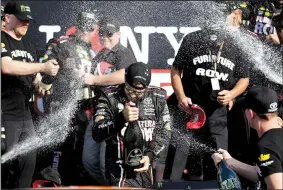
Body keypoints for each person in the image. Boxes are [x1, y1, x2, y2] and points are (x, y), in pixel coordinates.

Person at [167, 19, 251, 180]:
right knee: (179, 152)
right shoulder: (192, 39)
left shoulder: (237, 45)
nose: (216, 42)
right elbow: (176, 70)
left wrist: (232, 94)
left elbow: (244, 79)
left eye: (219, 40)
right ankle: (172, 185)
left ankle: (219, 184)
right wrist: (181, 96)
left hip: (217, 110)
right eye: (213, 38)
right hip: (190, 108)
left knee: (219, 156)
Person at [1, 2, 59, 188]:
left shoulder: (29, 45)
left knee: (27, 164)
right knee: (6, 166)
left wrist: (43, 84)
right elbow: (6, 66)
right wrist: (42, 66)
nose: (26, 23)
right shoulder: (1, 38)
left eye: (28, 20)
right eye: (21, 19)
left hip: (24, 115)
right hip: (4, 114)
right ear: (8, 18)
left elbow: (34, 80)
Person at [92, 62, 171, 187]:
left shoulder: (157, 97)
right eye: (130, 90)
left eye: (139, 92)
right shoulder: (109, 95)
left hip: (146, 166)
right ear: (125, 82)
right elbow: (97, 133)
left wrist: (150, 155)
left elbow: (165, 131)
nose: (133, 95)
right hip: (118, 168)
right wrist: (121, 118)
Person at [81, 17, 136, 185]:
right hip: (97, 113)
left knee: (108, 163)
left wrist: (93, 80)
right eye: (102, 33)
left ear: (118, 34)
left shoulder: (123, 52)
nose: (105, 36)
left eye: (110, 33)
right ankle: (108, 186)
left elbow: (124, 75)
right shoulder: (99, 55)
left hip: (115, 114)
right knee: (89, 161)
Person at [212, 86, 283, 189]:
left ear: (250, 113)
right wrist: (230, 162)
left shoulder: (266, 146)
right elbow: (266, 172)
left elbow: (276, 187)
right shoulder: (276, 138)